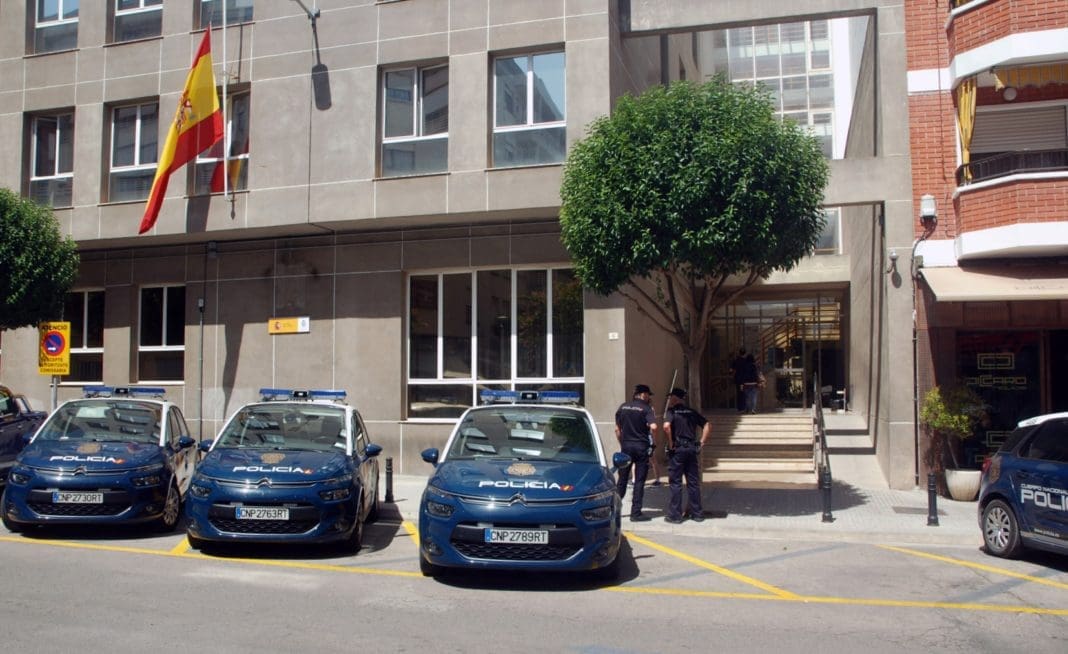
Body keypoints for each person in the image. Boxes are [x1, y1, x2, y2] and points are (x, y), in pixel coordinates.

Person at [662, 387, 710, 523]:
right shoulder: (691, 412)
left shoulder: (671, 411)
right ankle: (697, 514)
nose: (669, 399)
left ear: (675, 398)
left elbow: (666, 426)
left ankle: (675, 516)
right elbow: (707, 424)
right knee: (693, 482)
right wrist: (701, 442)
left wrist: (670, 443)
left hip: (678, 450)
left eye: (671, 397)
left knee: (675, 482)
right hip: (691, 448)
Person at [614, 383, 658, 521]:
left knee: (622, 480)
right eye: (648, 395)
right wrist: (653, 442)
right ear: (643, 394)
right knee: (639, 481)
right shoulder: (646, 408)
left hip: (626, 447)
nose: (649, 397)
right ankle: (636, 513)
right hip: (641, 447)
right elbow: (654, 427)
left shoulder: (623, 407)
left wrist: (622, 443)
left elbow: (617, 429)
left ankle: (613, 511)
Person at [730, 348, 747, 412]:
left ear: (739, 353)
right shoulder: (746, 361)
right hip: (744, 380)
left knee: (739, 393)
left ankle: (739, 408)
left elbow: (731, 370)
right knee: (743, 393)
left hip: (737, 380)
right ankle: (743, 407)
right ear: (744, 354)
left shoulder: (735, 360)